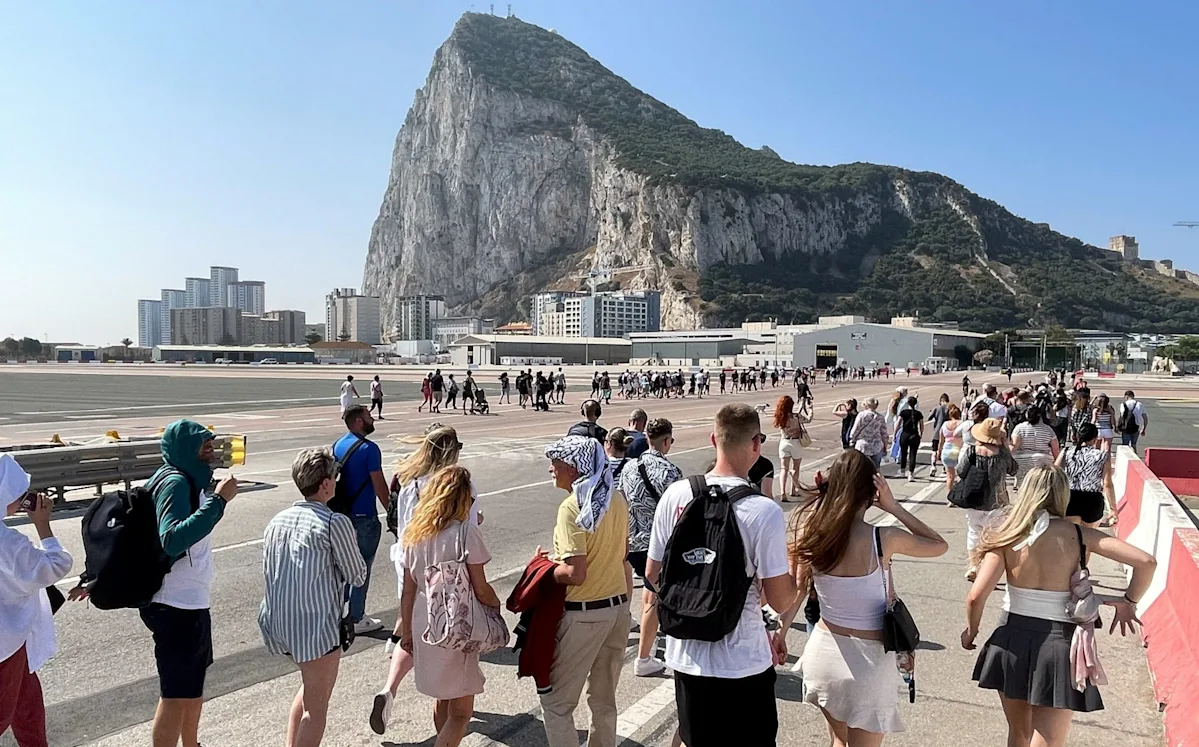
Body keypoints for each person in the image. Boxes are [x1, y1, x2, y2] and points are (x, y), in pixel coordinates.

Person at [963, 466, 1157, 747]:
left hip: (1011, 637)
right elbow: (1147, 562)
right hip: (1059, 644)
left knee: (1018, 733)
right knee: (1049, 739)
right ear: (1062, 494)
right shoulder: (1080, 535)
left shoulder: (1007, 534)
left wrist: (971, 631)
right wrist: (1129, 602)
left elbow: (975, 596)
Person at [646, 404, 796, 747]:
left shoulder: (676, 494)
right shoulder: (763, 511)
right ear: (756, 444)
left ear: (714, 439)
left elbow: (653, 575)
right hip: (743, 660)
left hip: (687, 658)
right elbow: (780, 600)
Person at [780, 450, 948, 745]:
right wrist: (894, 507)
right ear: (871, 491)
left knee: (838, 741)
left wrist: (781, 633)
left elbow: (799, 589)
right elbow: (939, 544)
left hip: (823, 651)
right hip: (867, 663)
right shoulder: (883, 538)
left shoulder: (813, 532)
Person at [140, 420, 240, 747]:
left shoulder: (186, 479)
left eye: (210, 443)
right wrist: (219, 502)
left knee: (192, 688)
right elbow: (172, 539)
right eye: (203, 445)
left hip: (189, 601)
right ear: (185, 448)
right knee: (175, 694)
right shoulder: (175, 483)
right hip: (174, 604)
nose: (210, 450)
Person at [372, 426, 478, 734]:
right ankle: (447, 705)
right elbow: (469, 524)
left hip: (410, 561)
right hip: (447, 571)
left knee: (410, 629)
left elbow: (402, 525)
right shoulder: (455, 483)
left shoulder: (411, 483)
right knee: (446, 643)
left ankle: (390, 687)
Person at [259, 448, 367, 747]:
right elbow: (357, 575)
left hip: (279, 623)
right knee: (317, 709)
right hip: (315, 628)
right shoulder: (334, 522)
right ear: (326, 483)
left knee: (309, 690)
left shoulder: (277, 520)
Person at [539, 435, 631, 747]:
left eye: (556, 461)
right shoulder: (615, 499)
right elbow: (622, 554)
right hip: (617, 610)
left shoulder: (572, 507)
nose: (551, 468)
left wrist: (543, 568)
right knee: (604, 701)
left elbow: (575, 574)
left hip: (585, 615)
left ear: (574, 468)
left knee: (556, 704)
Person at [399, 466, 500, 747]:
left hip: (425, 618)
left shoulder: (414, 534)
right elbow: (480, 587)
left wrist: (406, 631)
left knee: (442, 696)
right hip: (457, 619)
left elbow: (407, 591)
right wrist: (495, 606)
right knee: (462, 711)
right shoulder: (464, 533)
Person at [0, 454, 73, 747]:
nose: (23, 501)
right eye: (19, 496)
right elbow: (55, 566)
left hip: (14, 640)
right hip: (8, 641)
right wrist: (43, 526)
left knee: (26, 703)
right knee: (9, 710)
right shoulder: (8, 542)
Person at [617, 418, 682, 677]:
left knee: (649, 595)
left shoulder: (629, 467)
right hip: (658, 545)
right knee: (654, 600)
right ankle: (644, 658)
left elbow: (621, 499)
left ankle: (650, 645)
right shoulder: (671, 472)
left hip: (633, 542)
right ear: (666, 441)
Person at [333, 405, 391, 635]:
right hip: (364, 516)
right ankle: (357, 617)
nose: (372, 418)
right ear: (358, 421)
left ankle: (338, 611)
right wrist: (392, 513)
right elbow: (379, 484)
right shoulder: (369, 449)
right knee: (362, 568)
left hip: (342, 516)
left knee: (342, 567)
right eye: (368, 416)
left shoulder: (338, 445)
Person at [958, 418, 1017, 581]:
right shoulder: (1002, 454)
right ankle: (989, 571)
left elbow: (961, 471)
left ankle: (974, 566)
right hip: (998, 501)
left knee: (973, 533)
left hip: (974, 499)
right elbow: (1013, 469)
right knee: (995, 537)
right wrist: (1005, 446)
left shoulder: (972, 450)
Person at [1055, 423, 1115, 528]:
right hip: (1092, 501)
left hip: (1070, 498)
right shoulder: (1102, 456)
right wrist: (1113, 509)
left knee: (1071, 534)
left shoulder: (1067, 451)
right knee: (1088, 535)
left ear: (1078, 436)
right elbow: (1107, 484)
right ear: (1095, 439)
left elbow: (1054, 473)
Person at [1011, 407, 1059, 488]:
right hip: (1043, 459)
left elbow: (1014, 445)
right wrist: (1057, 463)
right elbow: (1055, 449)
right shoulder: (1048, 429)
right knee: (1040, 486)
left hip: (1022, 460)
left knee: (1023, 486)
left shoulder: (1019, 428)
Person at [773, 395, 806, 501]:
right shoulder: (796, 416)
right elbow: (807, 420)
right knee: (796, 467)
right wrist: (810, 410)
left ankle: (783, 492)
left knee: (784, 469)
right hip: (795, 443)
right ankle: (793, 490)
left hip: (784, 442)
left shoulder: (780, 417)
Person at [849, 397, 889, 469]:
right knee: (876, 468)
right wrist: (885, 447)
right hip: (876, 446)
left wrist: (852, 440)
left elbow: (855, 429)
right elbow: (884, 434)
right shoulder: (880, 417)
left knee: (862, 468)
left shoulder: (862, 415)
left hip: (863, 445)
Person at [896, 396, 924, 481]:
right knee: (913, 454)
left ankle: (902, 471)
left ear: (908, 403)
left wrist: (895, 433)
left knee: (903, 453)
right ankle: (911, 474)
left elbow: (898, 423)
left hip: (905, 434)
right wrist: (920, 434)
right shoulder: (918, 414)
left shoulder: (903, 412)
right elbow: (921, 425)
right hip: (914, 434)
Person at [939, 405, 964, 494]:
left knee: (950, 476)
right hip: (958, 451)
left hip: (947, 451)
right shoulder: (962, 424)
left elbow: (941, 441)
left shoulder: (945, 424)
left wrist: (939, 451)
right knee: (961, 475)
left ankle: (949, 495)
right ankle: (959, 495)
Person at [927, 394, 951, 478]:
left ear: (940, 401)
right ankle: (944, 467)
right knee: (945, 451)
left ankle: (933, 466)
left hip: (936, 433)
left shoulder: (937, 408)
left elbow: (929, 418)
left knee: (934, 450)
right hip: (946, 433)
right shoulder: (949, 409)